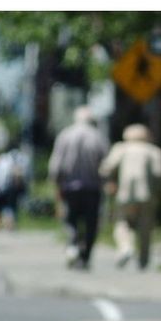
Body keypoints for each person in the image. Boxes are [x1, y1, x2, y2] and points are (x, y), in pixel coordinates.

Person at [48, 106, 109, 270]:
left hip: (69, 187)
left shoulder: (65, 135)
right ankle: (85, 256)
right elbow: (106, 164)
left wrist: (55, 182)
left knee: (70, 220)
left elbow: (56, 164)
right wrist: (107, 181)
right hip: (93, 188)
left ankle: (72, 246)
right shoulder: (98, 136)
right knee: (91, 223)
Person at [99, 123, 161, 270]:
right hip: (147, 195)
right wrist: (158, 192)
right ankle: (143, 260)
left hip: (125, 194)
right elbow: (159, 174)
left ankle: (125, 247)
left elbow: (106, 168)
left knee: (122, 223)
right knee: (145, 227)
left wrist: (111, 182)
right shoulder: (154, 151)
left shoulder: (121, 149)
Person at [0, 143, 29, 231]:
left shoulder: (4, 158)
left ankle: (4, 225)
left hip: (3, 186)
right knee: (7, 207)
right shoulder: (12, 159)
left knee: (5, 207)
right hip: (5, 186)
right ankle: (5, 225)